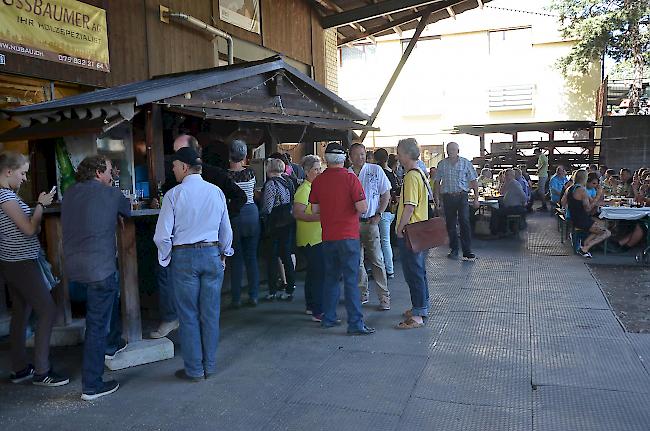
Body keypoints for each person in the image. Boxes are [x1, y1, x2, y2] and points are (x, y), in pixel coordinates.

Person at [150, 134, 245, 339]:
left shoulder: (216, 176)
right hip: (194, 249)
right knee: (200, 309)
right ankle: (200, 357)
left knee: (195, 310)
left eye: (180, 153)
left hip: (198, 249)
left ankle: (194, 354)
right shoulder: (174, 181)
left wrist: (220, 217)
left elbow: (240, 197)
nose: (175, 159)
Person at [153, 147, 233, 381]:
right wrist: (223, 253)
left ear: (185, 167)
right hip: (211, 254)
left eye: (175, 165)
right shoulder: (216, 191)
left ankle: (194, 370)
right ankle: (210, 366)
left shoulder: (173, 195)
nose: (173, 169)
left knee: (188, 315)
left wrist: (167, 257)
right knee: (210, 314)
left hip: (184, 257)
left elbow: (162, 236)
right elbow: (226, 229)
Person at [62, 155, 131, 400]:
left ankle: (113, 344)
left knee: (109, 298)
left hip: (71, 272)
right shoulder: (110, 193)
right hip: (99, 270)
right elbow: (128, 209)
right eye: (110, 171)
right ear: (100, 172)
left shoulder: (69, 193)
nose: (112, 175)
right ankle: (92, 385)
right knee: (96, 325)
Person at [0, 152, 68, 387]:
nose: (25, 178)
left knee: (21, 312)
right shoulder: (5, 197)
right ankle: (42, 371)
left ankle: (19, 369)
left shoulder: (8, 196)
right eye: (22, 173)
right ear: (8, 171)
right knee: (47, 309)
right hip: (21, 263)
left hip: (14, 262)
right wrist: (40, 205)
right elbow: (29, 229)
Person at [309, 142, 374, 335]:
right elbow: (363, 208)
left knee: (330, 278)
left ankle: (328, 318)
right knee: (351, 280)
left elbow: (315, 209)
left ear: (326, 159)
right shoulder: (350, 178)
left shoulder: (318, 181)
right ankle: (355, 323)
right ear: (344, 158)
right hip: (348, 236)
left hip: (328, 236)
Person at [348, 143, 391, 311]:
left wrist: (380, 213)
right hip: (352, 223)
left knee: (377, 259)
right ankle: (362, 292)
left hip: (370, 221)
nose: (361, 157)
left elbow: (385, 193)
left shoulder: (375, 170)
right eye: (357, 154)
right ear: (350, 157)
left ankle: (384, 296)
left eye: (363, 154)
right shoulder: (347, 174)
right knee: (356, 260)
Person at [394, 139, 430, 329]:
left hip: (411, 231)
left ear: (407, 154)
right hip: (421, 229)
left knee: (413, 272)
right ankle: (421, 307)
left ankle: (418, 314)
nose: (397, 156)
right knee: (420, 271)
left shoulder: (410, 177)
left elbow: (409, 207)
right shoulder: (421, 174)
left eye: (399, 152)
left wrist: (399, 228)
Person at [226, 139, 260, 309]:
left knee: (236, 258)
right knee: (251, 257)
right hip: (252, 213)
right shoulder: (251, 173)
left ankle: (236, 298)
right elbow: (253, 193)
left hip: (235, 216)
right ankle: (254, 295)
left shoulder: (226, 176)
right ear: (245, 155)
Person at [434, 142, 479, 261]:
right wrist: (437, 199)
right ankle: (454, 249)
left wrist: (476, 198)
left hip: (462, 195)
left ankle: (467, 251)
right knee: (450, 223)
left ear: (458, 150)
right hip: (447, 197)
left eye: (453, 149)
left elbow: (474, 181)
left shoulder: (465, 163)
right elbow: (437, 182)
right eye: (449, 149)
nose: (451, 151)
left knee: (464, 221)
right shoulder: (442, 164)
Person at [293, 155, 324, 321]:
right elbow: (298, 213)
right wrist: (320, 217)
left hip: (316, 236)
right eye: (315, 169)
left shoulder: (315, 187)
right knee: (318, 273)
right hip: (310, 238)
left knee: (313, 273)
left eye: (320, 168)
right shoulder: (304, 190)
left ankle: (311, 306)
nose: (319, 172)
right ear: (306, 172)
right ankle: (318, 310)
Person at [261, 157, 296, 301]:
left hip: (274, 223)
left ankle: (272, 289)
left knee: (272, 256)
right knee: (286, 255)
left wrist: (262, 216)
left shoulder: (271, 184)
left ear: (270, 169)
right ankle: (290, 287)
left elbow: (267, 207)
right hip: (288, 220)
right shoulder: (288, 181)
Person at [566, 169, 611, 258]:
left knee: (602, 224)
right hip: (582, 219)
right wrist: (598, 195)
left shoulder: (570, 188)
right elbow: (588, 209)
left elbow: (592, 201)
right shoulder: (582, 190)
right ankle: (585, 248)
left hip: (574, 217)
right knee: (607, 232)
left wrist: (607, 202)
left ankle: (586, 243)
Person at [374, 148, 399, 279]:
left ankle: (386, 269)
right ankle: (389, 269)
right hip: (391, 211)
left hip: (381, 211)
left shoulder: (378, 172)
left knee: (381, 241)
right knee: (386, 241)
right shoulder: (391, 173)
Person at [490, 169, 527, 235]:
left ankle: (494, 232)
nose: (506, 177)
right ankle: (502, 230)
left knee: (495, 212)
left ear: (513, 176)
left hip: (516, 207)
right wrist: (504, 183)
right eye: (505, 175)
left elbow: (523, 196)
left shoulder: (515, 184)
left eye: (507, 175)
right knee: (498, 208)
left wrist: (523, 203)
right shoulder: (509, 183)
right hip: (510, 206)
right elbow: (501, 191)